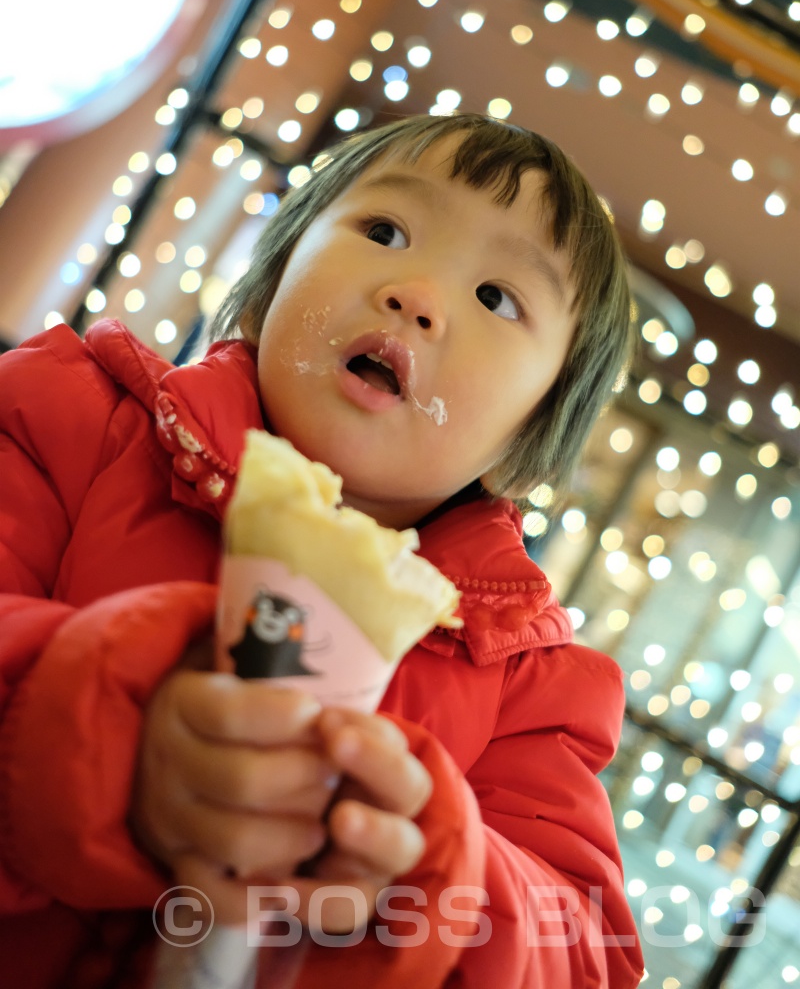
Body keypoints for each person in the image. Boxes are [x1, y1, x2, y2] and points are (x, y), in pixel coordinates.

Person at [0, 113, 645, 988]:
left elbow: (584, 950)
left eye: (498, 297)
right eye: (384, 231)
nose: (417, 293)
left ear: (529, 437)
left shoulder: (527, 686)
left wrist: (428, 873)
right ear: (271, 281)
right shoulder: (69, 422)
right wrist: (113, 737)